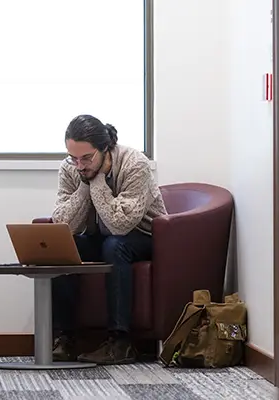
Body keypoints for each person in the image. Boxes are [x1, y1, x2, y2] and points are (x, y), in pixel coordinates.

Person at [50, 114, 167, 365]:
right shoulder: (72, 168)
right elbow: (63, 225)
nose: (79, 165)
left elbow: (120, 225)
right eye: (74, 158)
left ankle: (120, 342)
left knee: (115, 246)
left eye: (87, 158)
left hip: (145, 237)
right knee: (63, 247)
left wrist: (98, 182)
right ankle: (66, 338)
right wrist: (85, 183)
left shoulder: (136, 164)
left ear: (106, 149)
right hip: (101, 237)